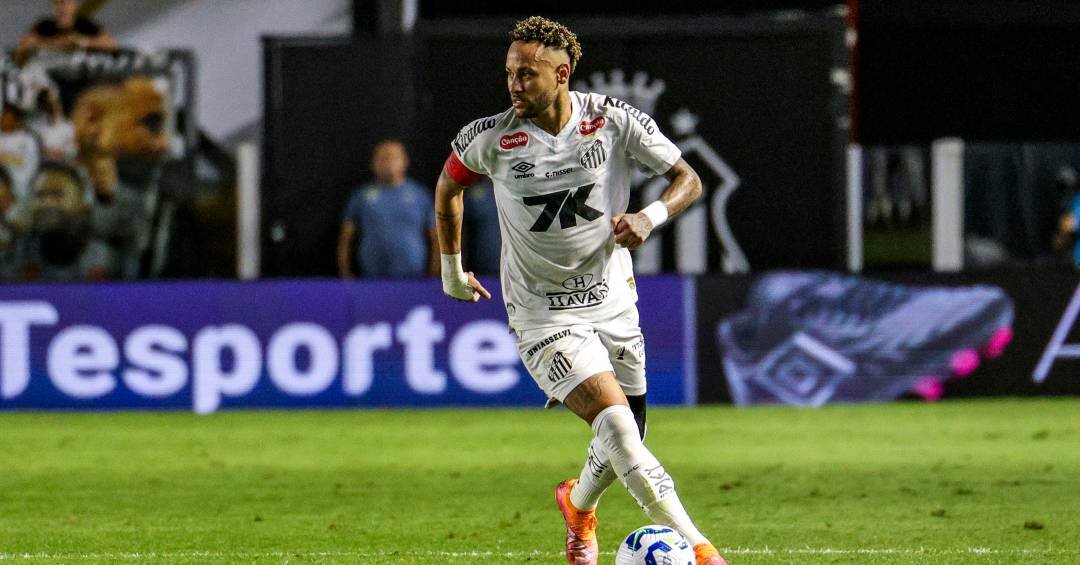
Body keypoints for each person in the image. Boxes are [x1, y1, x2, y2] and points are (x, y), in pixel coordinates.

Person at [434, 16, 726, 565]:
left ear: (562, 74)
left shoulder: (612, 120)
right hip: (543, 314)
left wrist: (649, 217)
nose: (514, 85)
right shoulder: (491, 138)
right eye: (509, 73)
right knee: (617, 428)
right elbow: (449, 186)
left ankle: (578, 503)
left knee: (630, 435)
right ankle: (703, 549)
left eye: (527, 74)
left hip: (614, 302)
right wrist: (451, 270)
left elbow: (688, 179)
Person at [338, 139, 437, 278]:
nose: (388, 162)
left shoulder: (420, 196)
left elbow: (436, 238)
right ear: (373, 163)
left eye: (393, 157)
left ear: (405, 161)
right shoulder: (361, 197)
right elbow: (346, 238)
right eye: (382, 158)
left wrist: (435, 273)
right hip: (371, 277)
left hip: (413, 277)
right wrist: (345, 272)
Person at [15, 0, 118, 66]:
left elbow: (110, 44)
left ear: (74, 5)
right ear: (53, 6)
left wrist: (81, 42)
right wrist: (52, 44)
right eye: (58, 3)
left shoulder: (85, 25)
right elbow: (22, 47)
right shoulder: (44, 26)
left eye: (66, 3)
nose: (63, 8)